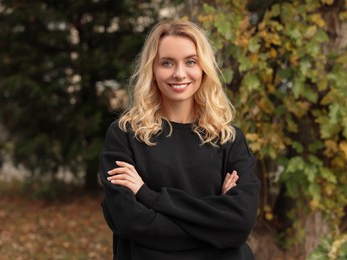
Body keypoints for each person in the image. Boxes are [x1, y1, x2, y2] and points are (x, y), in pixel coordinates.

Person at [99, 19, 260, 260]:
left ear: (204, 68)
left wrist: (147, 195)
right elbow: (129, 222)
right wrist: (214, 228)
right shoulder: (124, 135)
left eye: (191, 62)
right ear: (152, 69)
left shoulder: (229, 139)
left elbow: (239, 224)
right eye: (167, 63)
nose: (179, 73)